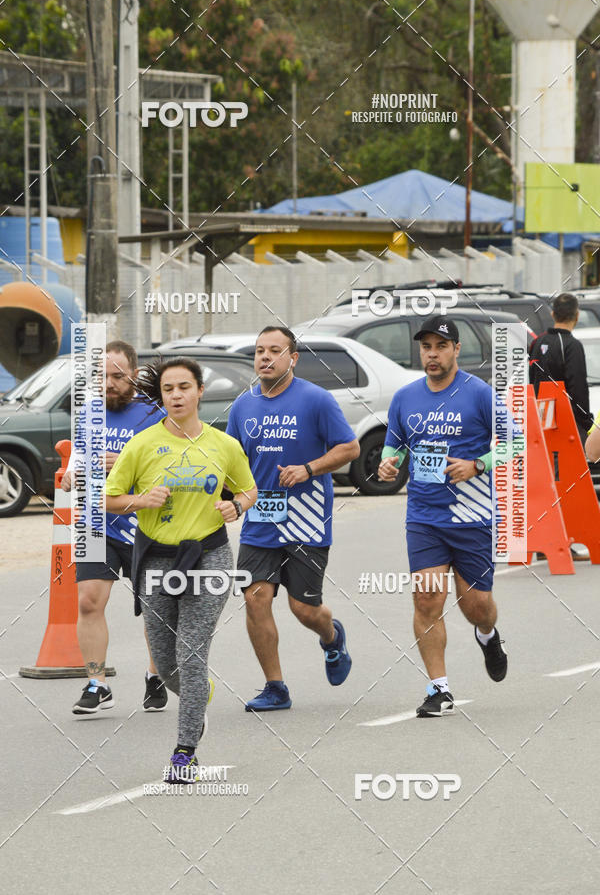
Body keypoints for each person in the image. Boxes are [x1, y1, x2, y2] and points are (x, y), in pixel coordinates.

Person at [105, 357, 257, 782]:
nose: (176, 395)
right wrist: (140, 501)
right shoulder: (142, 445)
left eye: (184, 387)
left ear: (199, 392)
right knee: (168, 664)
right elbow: (107, 497)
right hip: (155, 557)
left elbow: (249, 489)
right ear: (161, 395)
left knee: (190, 654)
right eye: (168, 389)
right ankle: (198, 695)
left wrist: (236, 506)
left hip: (208, 556)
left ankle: (185, 751)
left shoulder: (222, 444)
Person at [378, 315, 519, 718]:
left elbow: (516, 443)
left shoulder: (478, 394)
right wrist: (389, 465)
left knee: (476, 603)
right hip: (423, 516)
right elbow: (395, 446)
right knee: (426, 598)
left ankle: (488, 634)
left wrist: (478, 464)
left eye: (441, 346)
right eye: (426, 347)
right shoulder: (406, 397)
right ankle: (439, 689)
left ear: (457, 350)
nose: (433, 354)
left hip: (472, 515)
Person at [226, 326, 360, 711]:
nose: (264, 358)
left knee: (303, 609)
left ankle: (332, 637)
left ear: (293, 358)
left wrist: (309, 468)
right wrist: (230, 498)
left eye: (274, 351)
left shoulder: (316, 400)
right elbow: (234, 462)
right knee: (255, 599)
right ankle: (275, 687)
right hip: (260, 519)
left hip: (306, 519)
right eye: (258, 351)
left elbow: (349, 448)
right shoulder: (243, 405)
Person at [63, 341, 167, 715]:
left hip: (147, 525)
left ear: (134, 375)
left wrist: (124, 462)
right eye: (103, 376)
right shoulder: (89, 413)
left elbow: (172, 465)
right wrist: (72, 474)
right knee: (89, 601)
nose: (109, 383)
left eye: (117, 376)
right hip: (97, 522)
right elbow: (78, 456)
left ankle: (156, 675)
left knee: (156, 608)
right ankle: (97, 683)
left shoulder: (154, 414)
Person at [529, 292, 593, 446]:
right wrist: (587, 422)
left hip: (541, 421)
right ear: (577, 316)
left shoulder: (537, 342)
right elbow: (578, 387)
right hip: (566, 424)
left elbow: (532, 379)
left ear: (552, 314)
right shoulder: (572, 345)